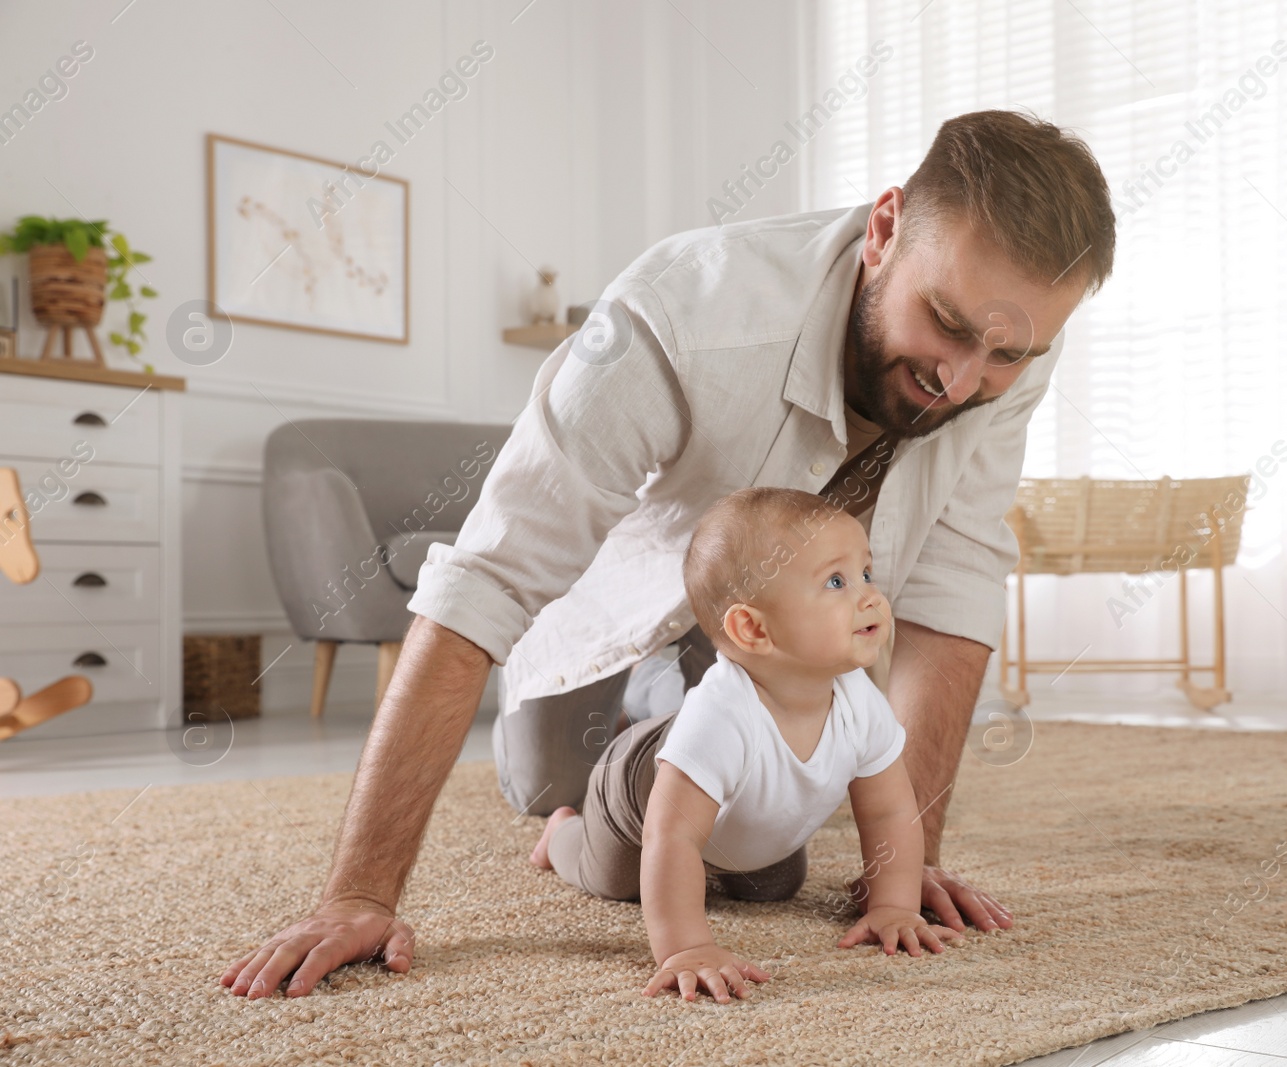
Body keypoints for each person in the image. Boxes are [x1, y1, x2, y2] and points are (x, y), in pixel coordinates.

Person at [220, 107, 1116, 1000]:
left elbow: (954, 584)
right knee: (569, 788)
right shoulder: (682, 312)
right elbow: (488, 575)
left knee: (771, 856)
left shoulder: (1014, 335)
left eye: (1005, 353)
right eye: (946, 324)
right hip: (609, 645)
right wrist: (358, 893)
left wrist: (903, 860)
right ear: (884, 229)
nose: (963, 379)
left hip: (791, 634)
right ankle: (569, 812)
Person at [531, 486, 965, 1002]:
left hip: (742, 821)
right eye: (836, 581)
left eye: (866, 574)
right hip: (633, 793)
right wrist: (685, 948)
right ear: (752, 628)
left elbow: (891, 813)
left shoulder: (858, 698)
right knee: (615, 880)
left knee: (777, 886)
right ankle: (562, 831)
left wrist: (894, 905)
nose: (870, 595)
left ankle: (720, 846)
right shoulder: (721, 718)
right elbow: (672, 839)